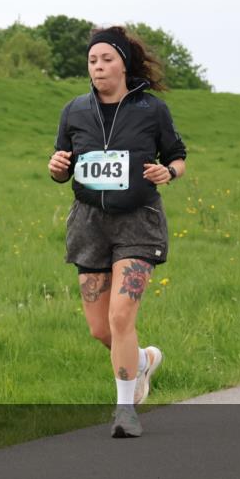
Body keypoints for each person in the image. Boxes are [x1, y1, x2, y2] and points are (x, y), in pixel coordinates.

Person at [48, 26, 187, 438]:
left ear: (124, 64)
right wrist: (56, 168)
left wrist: (169, 172)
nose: (98, 66)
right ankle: (142, 362)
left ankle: (125, 409)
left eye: (107, 59)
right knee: (100, 329)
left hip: (138, 221)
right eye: (92, 60)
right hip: (89, 224)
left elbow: (177, 157)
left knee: (121, 315)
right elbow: (62, 164)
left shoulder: (151, 110)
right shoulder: (74, 110)